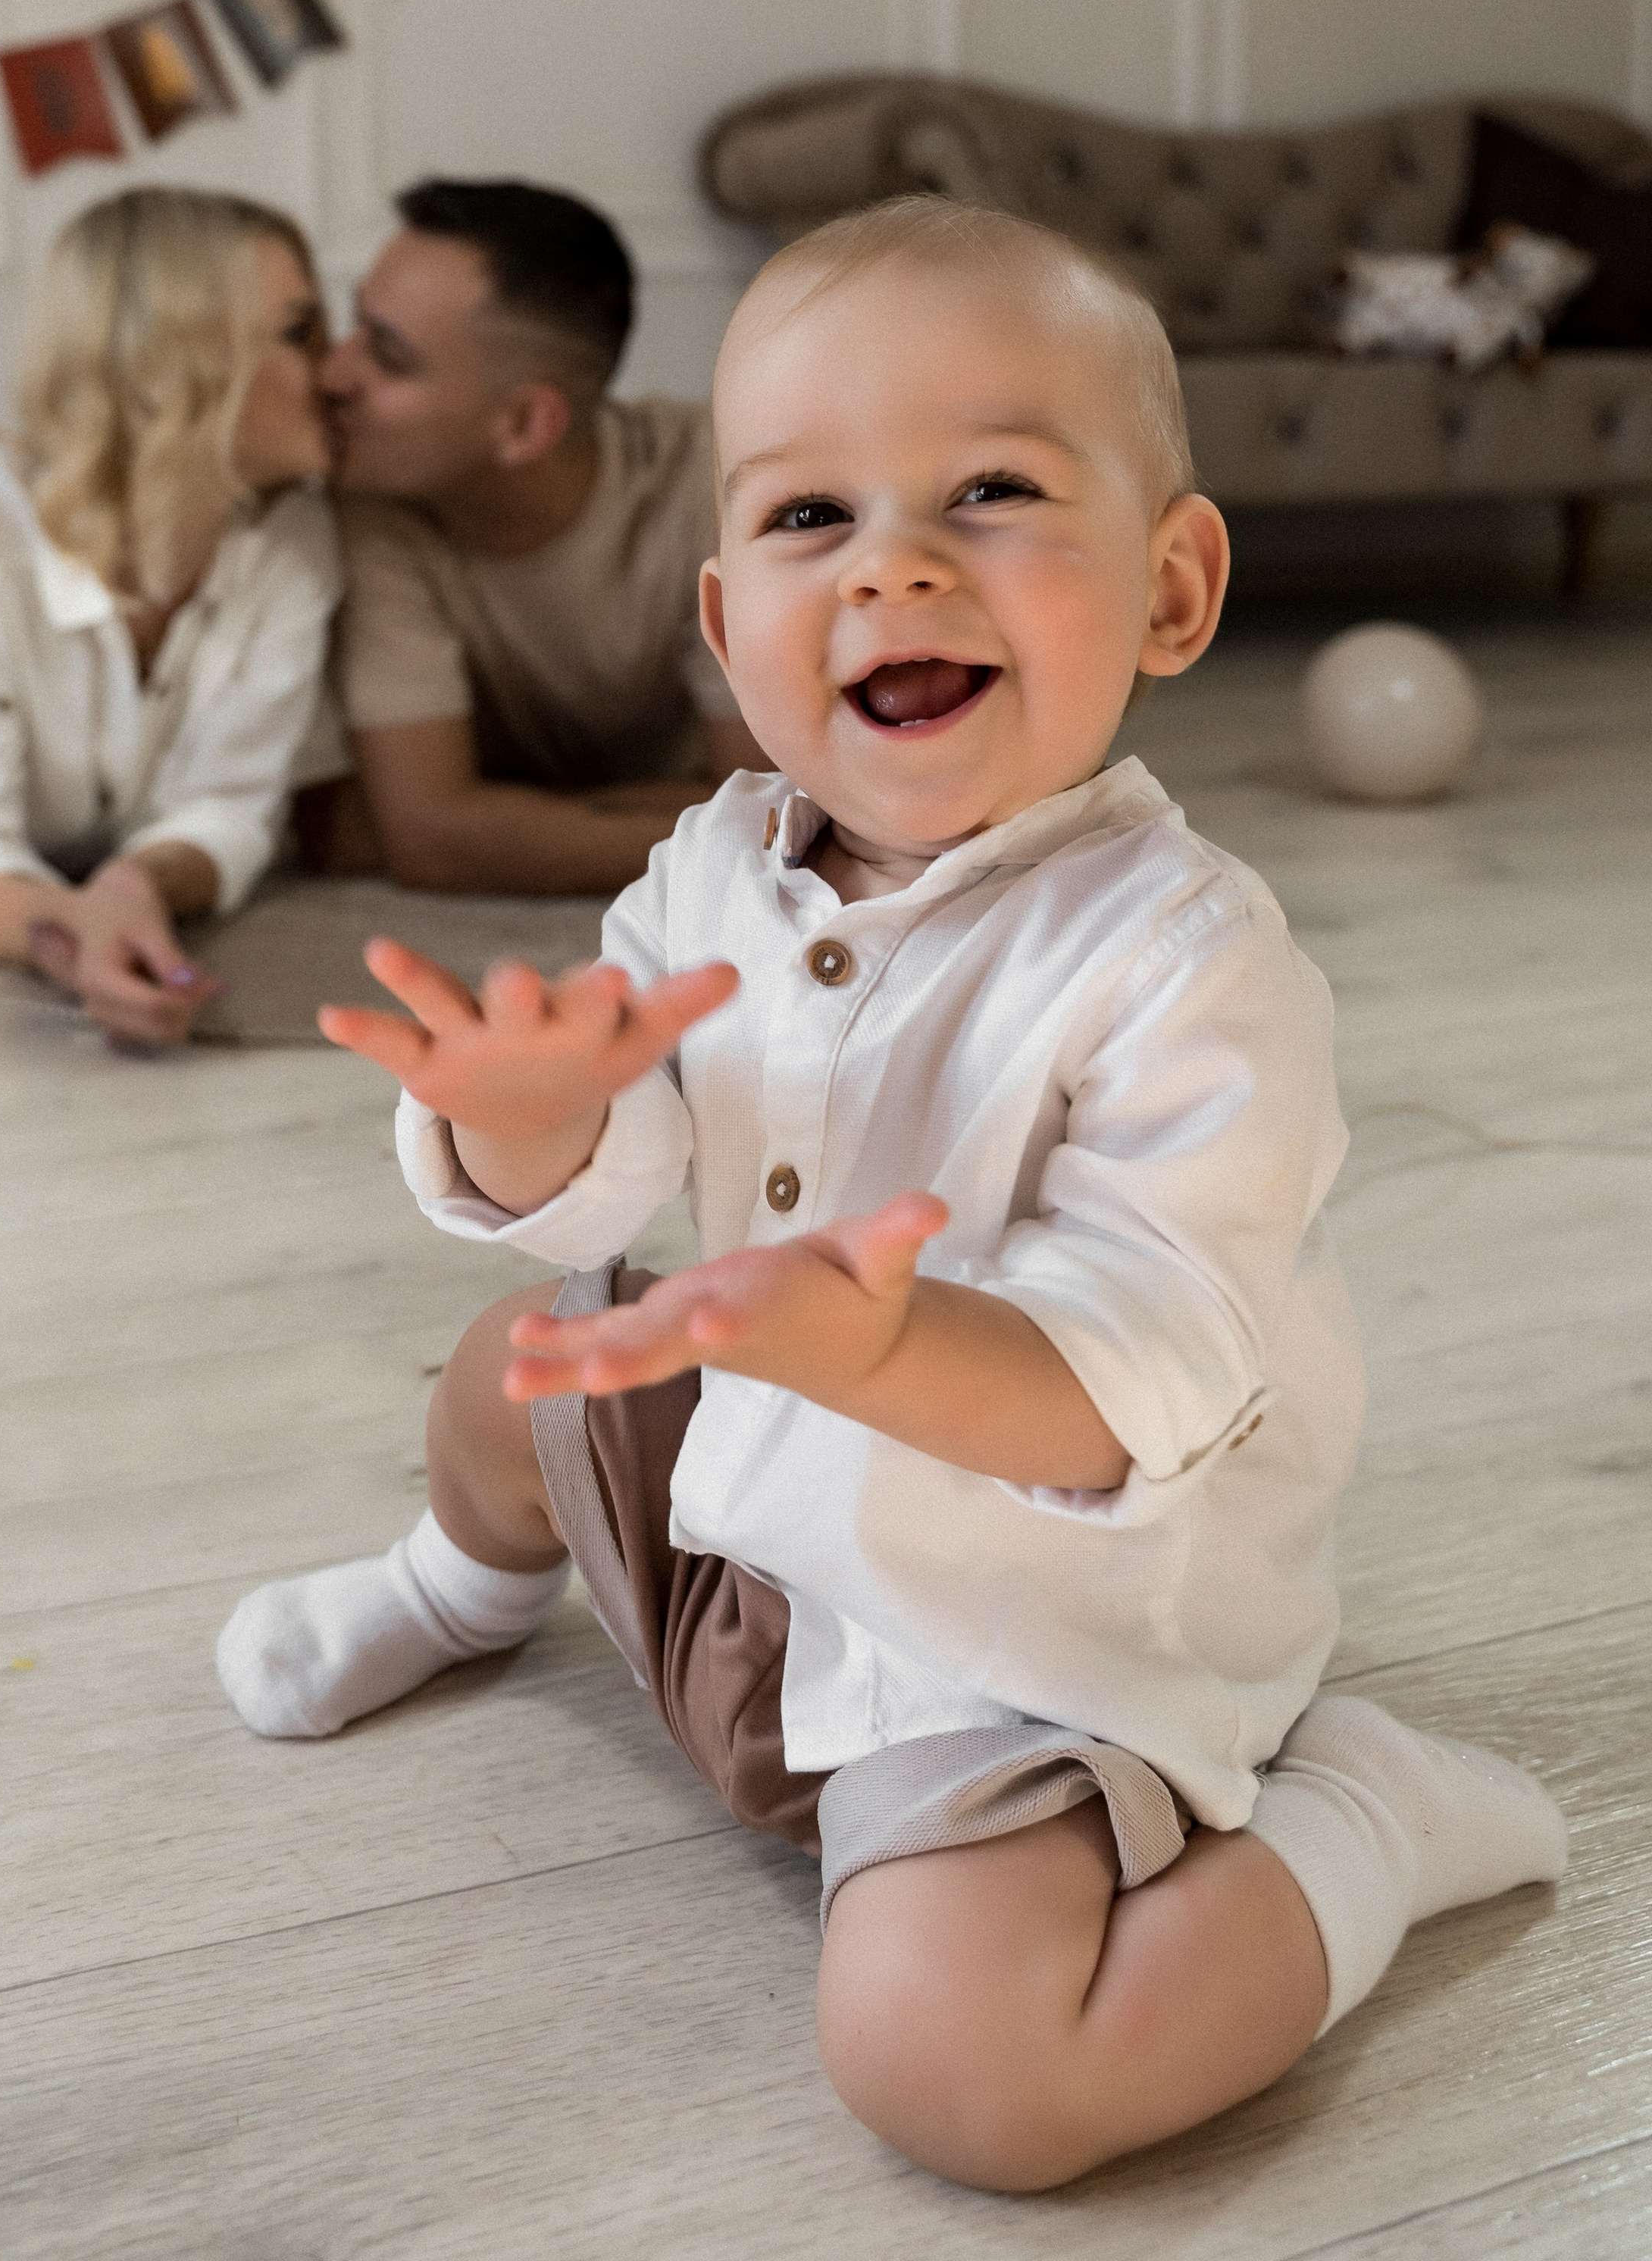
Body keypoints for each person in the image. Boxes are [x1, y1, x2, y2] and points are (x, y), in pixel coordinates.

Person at [217, 199, 1566, 2192]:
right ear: (723, 624)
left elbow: (1145, 1366)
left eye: (996, 488)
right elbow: (635, 1149)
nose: (896, 565)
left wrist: (884, 1347)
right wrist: (526, 1120)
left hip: (1017, 1638)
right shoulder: (716, 866)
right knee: (516, 1365)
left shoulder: (1189, 959)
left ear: (1174, 588)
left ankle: (1359, 1819)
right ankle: (454, 1592)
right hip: (755, 1519)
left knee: (968, 2076)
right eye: (806, 519)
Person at [0, 186, 342, 1049]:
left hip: (93, 806)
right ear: (175, 366)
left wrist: (131, 885)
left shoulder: (295, 542)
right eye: (299, 334)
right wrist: (70, 937)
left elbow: (230, 808)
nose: (335, 370)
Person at [299, 177, 770, 893]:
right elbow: (429, 841)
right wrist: (698, 813)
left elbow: (780, 812)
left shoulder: (717, 484)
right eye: (355, 324)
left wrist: (480, 819)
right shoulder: (376, 501)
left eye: (387, 356)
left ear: (523, 426)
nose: (330, 373)